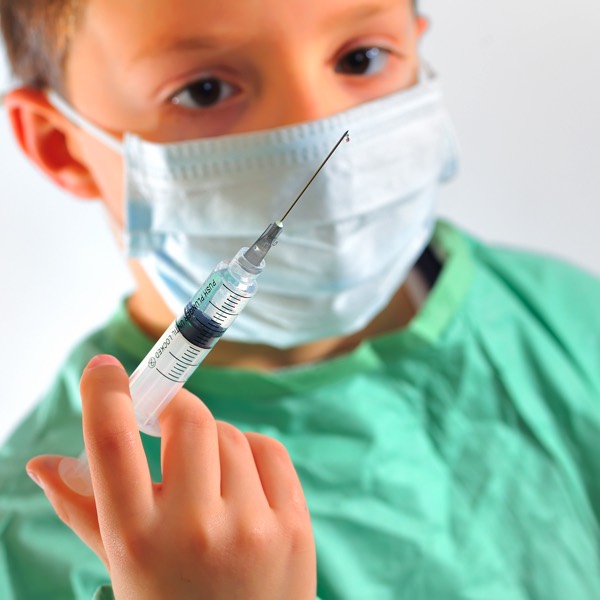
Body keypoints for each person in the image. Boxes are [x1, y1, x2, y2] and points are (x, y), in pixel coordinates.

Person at [1, 0, 599, 598]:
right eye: (205, 90)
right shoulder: (33, 547)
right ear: (62, 145)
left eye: (361, 58)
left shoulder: (569, 322)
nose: (318, 131)